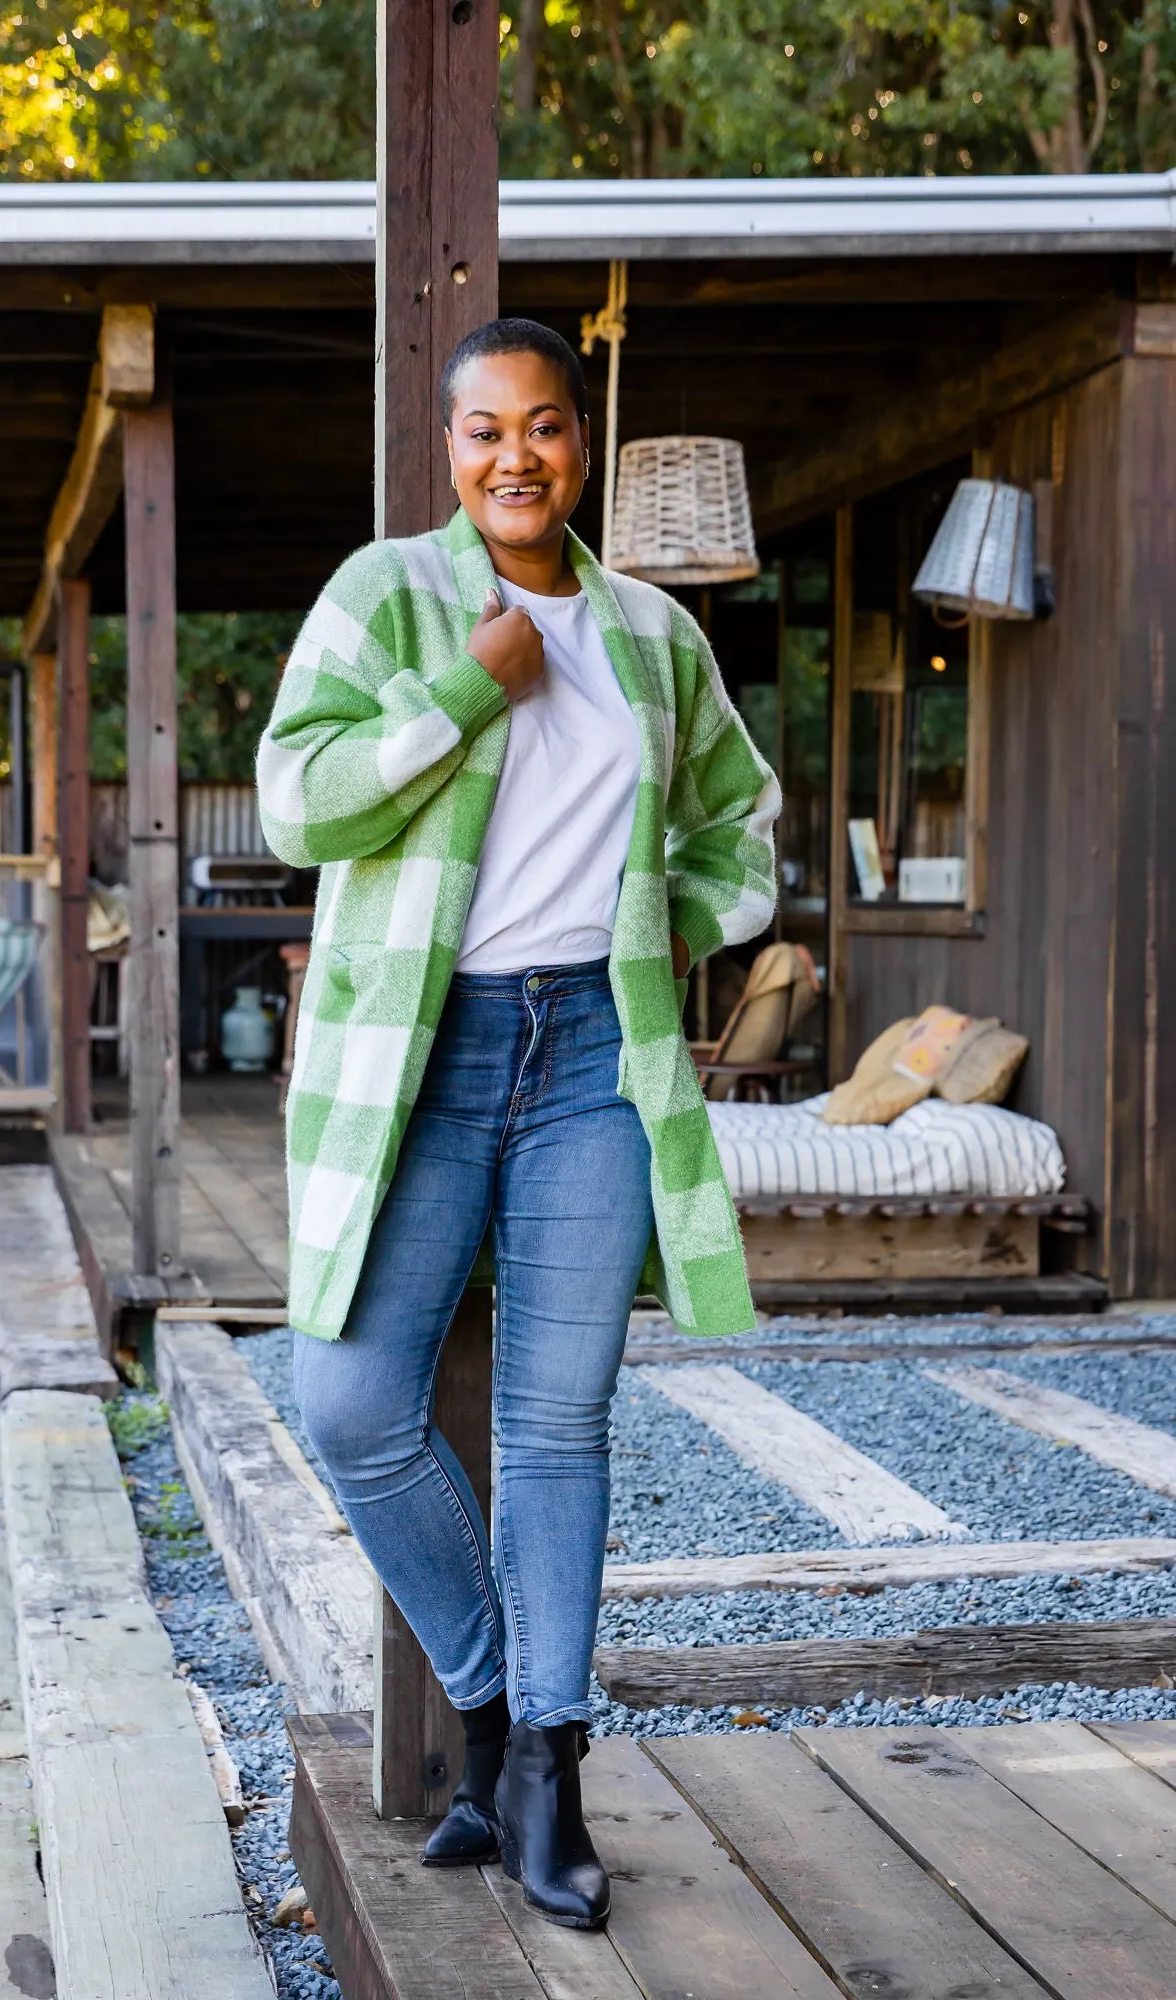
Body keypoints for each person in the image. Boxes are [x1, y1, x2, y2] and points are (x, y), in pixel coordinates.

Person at [257, 318, 779, 1930]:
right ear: (450, 444)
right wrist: (468, 691)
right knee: (346, 1399)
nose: (516, 459)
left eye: (545, 429)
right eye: (486, 431)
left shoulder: (648, 635)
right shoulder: (390, 594)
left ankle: (549, 1767)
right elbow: (301, 800)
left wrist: (674, 929)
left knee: (562, 1429)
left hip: (589, 1063)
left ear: (578, 443)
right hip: (427, 1057)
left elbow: (737, 825)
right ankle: (487, 1706)